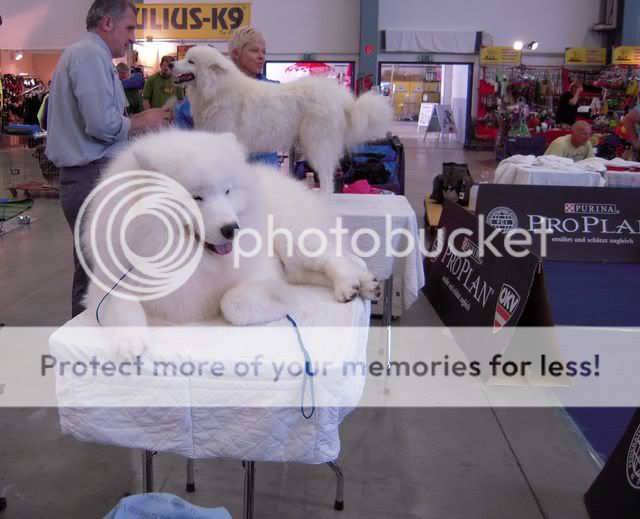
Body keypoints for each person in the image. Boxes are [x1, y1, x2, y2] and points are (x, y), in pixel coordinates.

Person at [46, 0, 173, 317]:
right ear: (107, 23)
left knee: (99, 269)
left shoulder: (91, 56)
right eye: (129, 28)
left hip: (91, 176)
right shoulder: (90, 56)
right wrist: (144, 121)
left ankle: (93, 334)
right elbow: (101, 125)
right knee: (97, 273)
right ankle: (89, 338)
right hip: (91, 176)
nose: (132, 37)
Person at [228, 26, 280, 167]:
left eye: (263, 51)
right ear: (236, 53)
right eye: (254, 50)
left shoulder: (275, 91)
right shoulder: (214, 90)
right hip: (227, 170)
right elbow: (185, 124)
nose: (262, 56)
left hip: (265, 171)